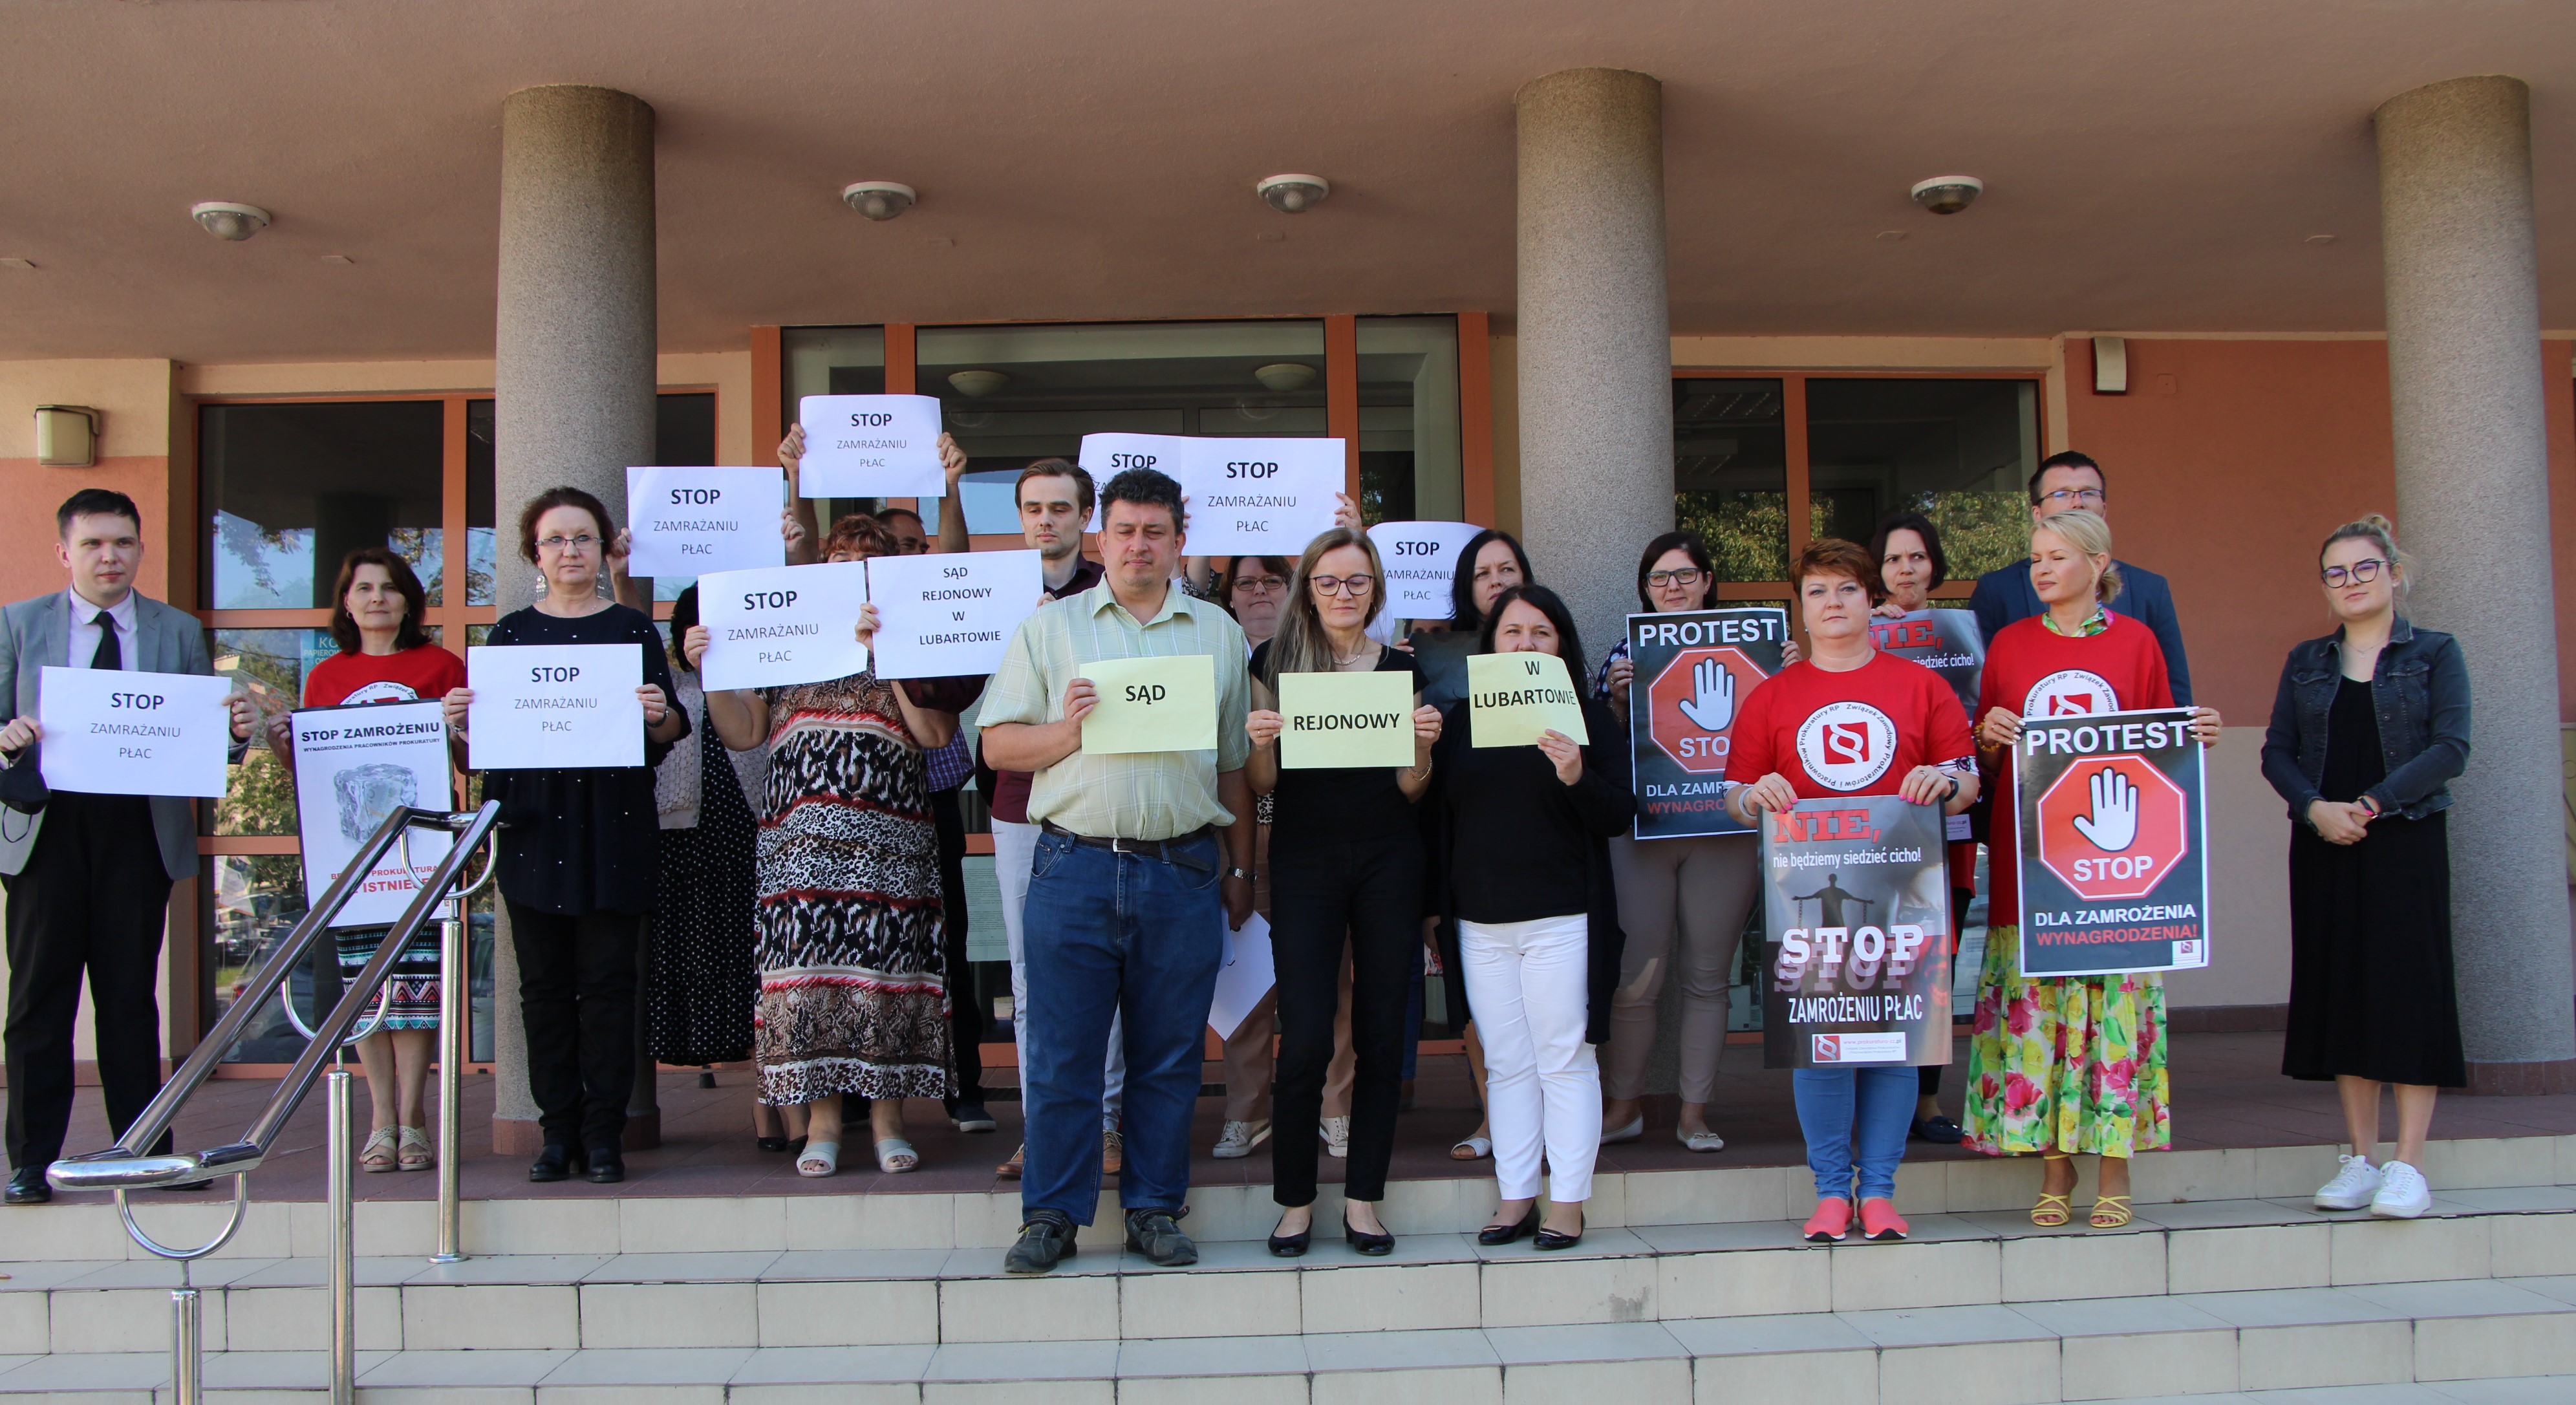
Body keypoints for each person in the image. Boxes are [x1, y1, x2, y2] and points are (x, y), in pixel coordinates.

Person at [978, 466, 1256, 1274]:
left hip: (1182, 870)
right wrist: (1065, 733)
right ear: (1101, 538)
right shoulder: (1049, 631)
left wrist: (1240, 868)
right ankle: (1052, 1216)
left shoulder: (1217, 633)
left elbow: (1234, 758)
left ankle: (1154, 1208)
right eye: (1125, 530)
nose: (1139, 545)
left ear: (1179, 543)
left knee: (1169, 1055)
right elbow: (995, 744)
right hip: (1075, 866)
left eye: (1156, 532)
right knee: (1064, 1052)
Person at [1964, 509, 2220, 1230]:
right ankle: (2054, 1165)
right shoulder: (2010, 644)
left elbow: (2161, 746)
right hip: (2033, 860)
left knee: (2112, 1013)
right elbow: (1983, 752)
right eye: (2035, 558)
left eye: (2057, 557)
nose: (2042, 569)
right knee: (2039, 1015)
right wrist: (1986, 734)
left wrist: (2198, 733)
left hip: (2116, 873)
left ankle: (2114, 1166)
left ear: (2097, 562)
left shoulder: (2137, 643)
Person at [687, 512, 963, 1177]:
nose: (849, 575)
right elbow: (744, 731)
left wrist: (891, 649)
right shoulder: (790, 644)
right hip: (799, 853)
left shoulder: (908, 642)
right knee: (807, 984)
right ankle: (822, 1126)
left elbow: (933, 734)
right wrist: (713, 670)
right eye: (838, 562)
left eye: (864, 565)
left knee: (886, 978)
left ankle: (891, 1120)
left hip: (888, 851)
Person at [1, 489, 257, 1206]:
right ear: (65, 553)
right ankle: (30, 1161)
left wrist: (235, 734)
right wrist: (5, 738)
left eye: (122, 543)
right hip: (48, 834)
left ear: (141, 549)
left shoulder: (176, 630)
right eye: (93, 544)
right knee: (38, 1001)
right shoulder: (19, 625)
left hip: (138, 834)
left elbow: (199, 743)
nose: (109, 556)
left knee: (129, 1000)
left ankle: (144, 1151)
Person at [1724, 538, 1980, 1245]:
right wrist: (1755, 795)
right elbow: (1734, 794)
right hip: (1811, 900)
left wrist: (1948, 785)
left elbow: (1968, 783)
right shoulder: (1772, 697)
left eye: (1844, 590)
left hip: (1903, 894)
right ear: (1800, 609)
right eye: (1816, 592)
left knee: (1895, 1044)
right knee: (1824, 1045)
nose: (1831, 604)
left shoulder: (1921, 686)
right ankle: (1832, 1192)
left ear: (1872, 599)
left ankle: (1883, 1192)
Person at [441, 487, 688, 1185]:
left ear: (602, 547)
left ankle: (603, 1133)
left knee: (610, 984)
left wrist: (655, 712)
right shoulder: (510, 634)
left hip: (614, 825)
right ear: (535, 554)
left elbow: (672, 733)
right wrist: (460, 721)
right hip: (532, 827)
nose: (570, 551)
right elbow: (483, 747)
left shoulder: (634, 628)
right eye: (556, 540)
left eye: (583, 538)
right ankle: (557, 1134)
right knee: (542, 989)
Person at [2263, 515, 2468, 1219]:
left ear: (2393, 574)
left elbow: (2451, 747)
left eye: (2363, 568)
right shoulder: (2307, 660)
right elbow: (2277, 751)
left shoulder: (2435, 653)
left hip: (2403, 840)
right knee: (2344, 992)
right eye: (2336, 573)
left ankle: (2409, 1165)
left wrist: (2372, 804)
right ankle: (2361, 1157)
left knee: (2406, 993)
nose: (2350, 583)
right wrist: (2317, 808)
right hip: (2324, 843)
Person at [1243, 530, 1440, 1255]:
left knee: (1385, 1029)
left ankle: (1363, 1199)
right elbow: (1263, 788)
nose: (1342, 595)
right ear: (1308, 590)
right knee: (1305, 1032)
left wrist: (1422, 748)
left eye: (1357, 582)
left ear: (1377, 591)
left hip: (1389, 854)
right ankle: (1295, 1200)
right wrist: (1261, 745)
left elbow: (1412, 789)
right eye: (1328, 582)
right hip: (1304, 857)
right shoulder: (1274, 661)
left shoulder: (1399, 668)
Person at [1426, 583, 1631, 1250]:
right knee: (1508, 1062)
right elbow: (1440, 820)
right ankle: (1516, 1196)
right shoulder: (1459, 721)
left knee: (1565, 1058)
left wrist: (1575, 772)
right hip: (1481, 923)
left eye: (1540, 633)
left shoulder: (1590, 718)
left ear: (1561, 645)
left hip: (1562, 917)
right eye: (1512, 632)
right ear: (1492, 644)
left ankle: (1567, 1202)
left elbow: (1618, 814)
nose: (1525, 643)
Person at [266, 547, 466, 1173]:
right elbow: (315, 771)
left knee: (416, 990)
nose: (376, 598)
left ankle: (414, 1118)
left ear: (408, 599)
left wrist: (460, 730)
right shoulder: (326, 678)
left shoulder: (440, 666)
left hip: (420, 853)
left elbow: (467, 759)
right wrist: (280, 746)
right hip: (351, 858)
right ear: (346, 603)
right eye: (363, 588)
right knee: (365, 991)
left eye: (388, 587)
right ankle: (379, 1118)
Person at [1594, 531, 1763, 1154]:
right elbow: (1604, 750)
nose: (1672, 587)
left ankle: (1694, 1111)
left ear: (1708, 579)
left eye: (1684, 575)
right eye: (1660, 578)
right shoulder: (1626, 651)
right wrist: (1615, 700)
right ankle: (1624, 1106)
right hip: (1647, 827)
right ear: (1644, 588)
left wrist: (1787, 673)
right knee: (1634, 979)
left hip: (1723, 830)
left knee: (1708, 976)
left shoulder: (1755, 646)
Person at [980, 459, 1120, 1183]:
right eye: (1033, 507)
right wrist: (891, 638)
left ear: (1085, 516)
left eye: (1060, 508)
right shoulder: (988, 596)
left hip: (1102, 801)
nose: (1046, 520)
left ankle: (1104, 1125)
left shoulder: (1117, 591)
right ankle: (1044, 1129)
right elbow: (945, 693)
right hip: (1018, 800)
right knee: (1034, 977)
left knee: (1105, 970)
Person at [643, 586, 766, 1142]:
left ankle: (771, 1107)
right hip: (682, 844)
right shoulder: (672, 687)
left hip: (751, 839)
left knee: (757, 967)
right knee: (694, 960)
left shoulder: (758, 680)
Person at [1869, 511, 1977, 1144]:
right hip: (1873, 832)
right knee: (1876, 964)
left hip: (1948, 826)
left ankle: (1928, 1100)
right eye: (1891, 560)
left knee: (1935, 965)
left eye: (1915, 557)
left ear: (1934, 563)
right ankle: (1877, 1094)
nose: (1905, 569)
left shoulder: (1966, 634)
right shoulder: (1860, 631)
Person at [1428, 526, 1536, 1163]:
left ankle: (1552, 1119)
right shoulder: (1436, 656)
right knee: (1476, 996)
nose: (1496, 581)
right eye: (1483, 573)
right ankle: (1496, 1119)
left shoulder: (1553, 647)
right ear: (1467, 589)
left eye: (1506, 569)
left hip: (1541, 848)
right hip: (1461, 844)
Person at [1970, 451, 2192, 705]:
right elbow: (1981, 700)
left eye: (2089, 493)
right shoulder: (1997, 591)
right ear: (2037, 512)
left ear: (2104, 508)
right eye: (2062, 493)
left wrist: (2190, 736)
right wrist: (1987, 736)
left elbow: (2173, 699)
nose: (2077, 503)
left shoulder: (2150, 589)